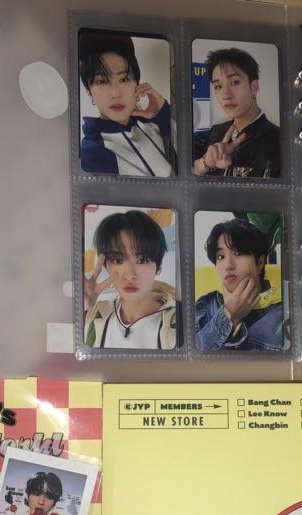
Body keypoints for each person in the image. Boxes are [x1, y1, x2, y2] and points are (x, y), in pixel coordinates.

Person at [78, 31, 174, 176]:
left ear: (137, 84)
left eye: (123, 79)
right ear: (89, 92)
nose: (116, 93)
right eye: (102, 81)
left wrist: (163, 113)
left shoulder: (154, 124)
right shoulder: (92, 153)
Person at [83, 210, 180, 349]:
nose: (130, 275)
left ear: (158, 267)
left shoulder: (181, 324)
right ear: (105, 266)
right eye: (117, 260)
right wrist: (83, 309)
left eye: (142, 260)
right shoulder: (95, 316)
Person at [195, 217, 286, 351]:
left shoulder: (284, 313)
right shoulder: (204, 307)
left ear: (260, 263)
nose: (228, 265)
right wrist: (229, 315)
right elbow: (186, 358)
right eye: (220, 256)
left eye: (238, 253)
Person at [193, 48, 280, 178]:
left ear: (254, 87)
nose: (226, 95)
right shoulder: (216, 132)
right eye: (218, 86)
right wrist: (206, 163)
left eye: (234, 82)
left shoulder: (278, 140)